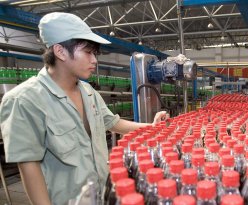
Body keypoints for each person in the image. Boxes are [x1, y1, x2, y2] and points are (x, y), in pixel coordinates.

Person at [0, 12, 168, 205]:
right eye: (88, 52)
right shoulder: (24, 100)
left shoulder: (88, 92)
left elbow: (113, 123)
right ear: (60, 51)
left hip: (101, 195)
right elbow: (29, 166)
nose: (94, 60)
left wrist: (151, 126)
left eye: (94, 53)